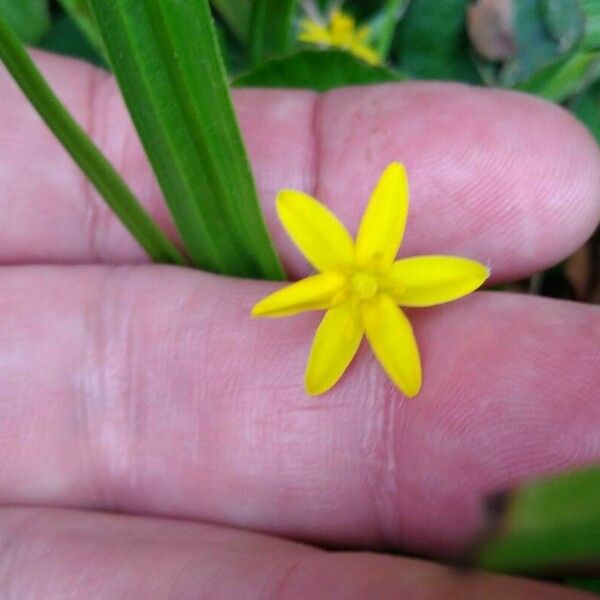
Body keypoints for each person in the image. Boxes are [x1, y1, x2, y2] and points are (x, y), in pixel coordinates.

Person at [0, 49, 598, 599]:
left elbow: (420, 313)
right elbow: (317, 243)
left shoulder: (407, 273)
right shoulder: (341, 256)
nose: (363, 286)